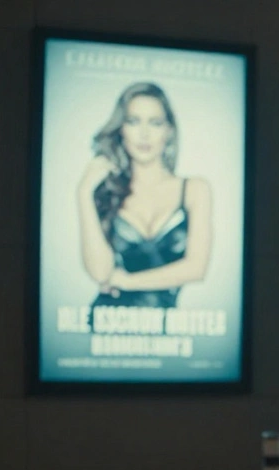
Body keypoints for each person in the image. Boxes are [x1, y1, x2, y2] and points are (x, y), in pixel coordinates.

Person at [78, 82, 213, 309]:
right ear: (121, 129)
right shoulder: (108, 192)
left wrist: (129, 282)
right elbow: (101, 273)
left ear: (169, 131)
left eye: (155, 123)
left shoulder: (195, 189)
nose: (144, 134)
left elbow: (196, 268)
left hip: (168, 328)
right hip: (108, 324)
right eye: (133, 121)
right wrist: (83, 194)